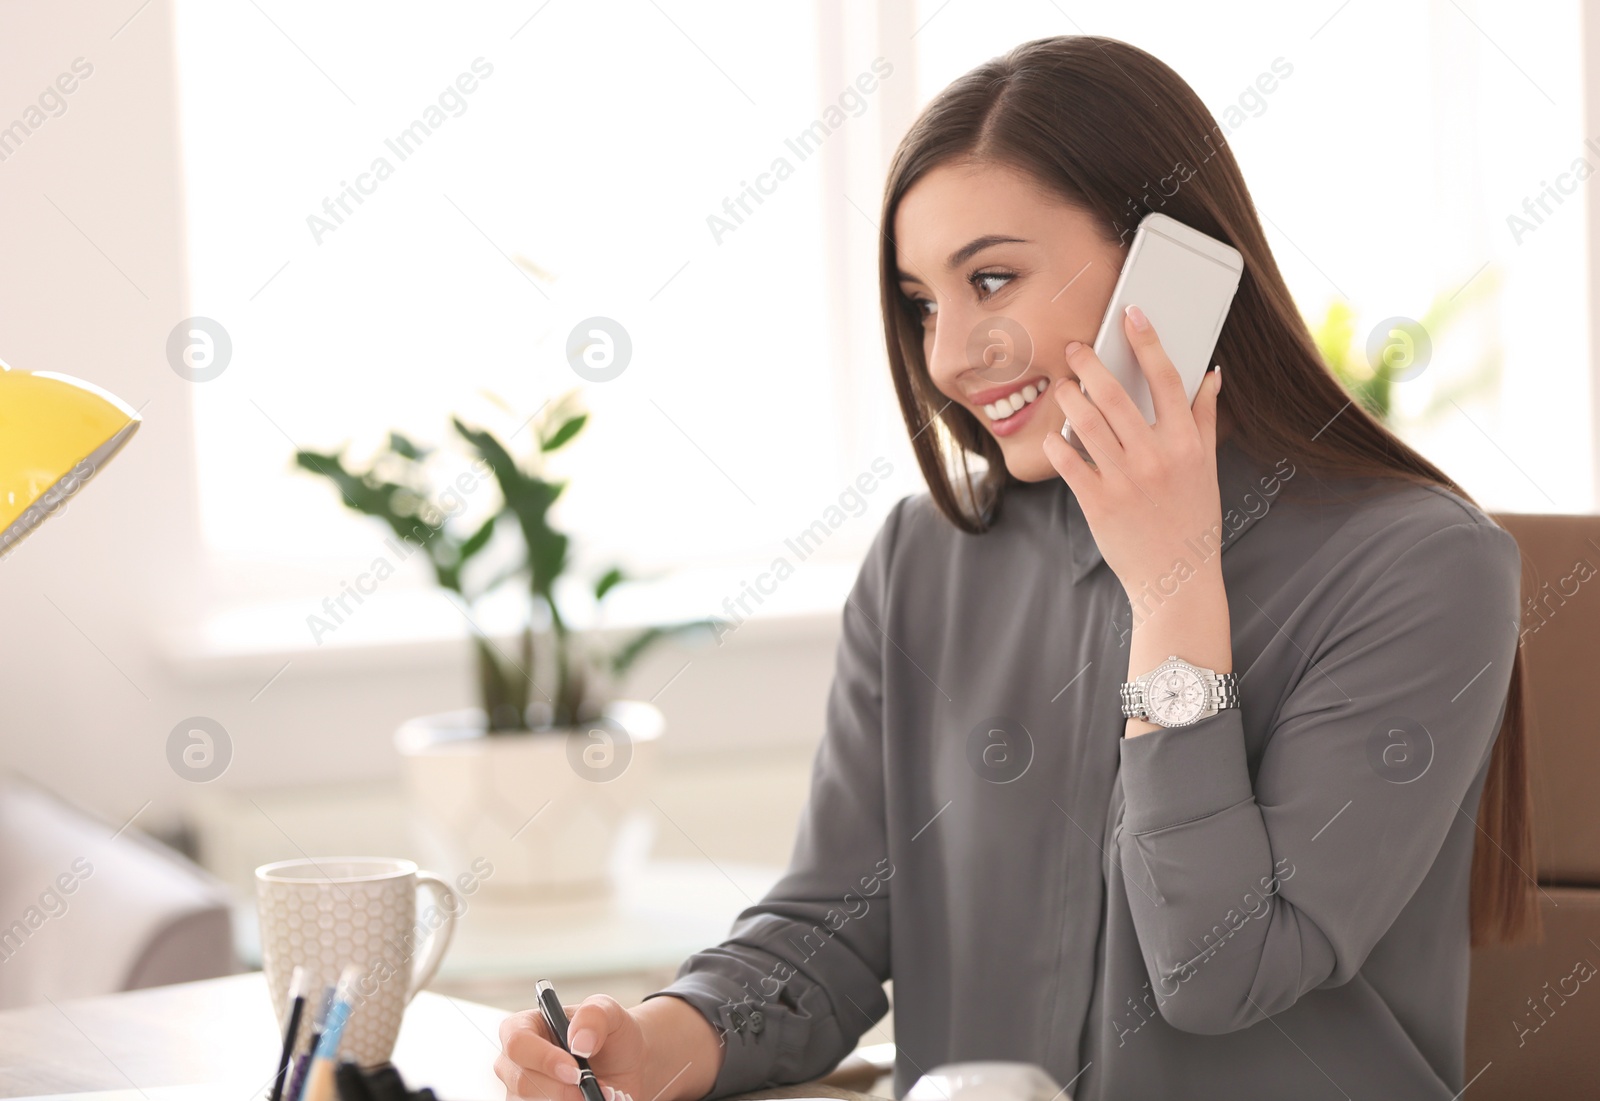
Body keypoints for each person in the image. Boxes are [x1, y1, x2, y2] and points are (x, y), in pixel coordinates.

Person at [496, 34, 1536, 1101]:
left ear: (1167, 267)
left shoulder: (1422, 569)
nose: (947, 357)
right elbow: (829, 934)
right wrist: (652, 1042)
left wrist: (1174, 586)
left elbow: (1220, 972)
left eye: (991, 279)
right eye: (923, 303)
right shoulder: (926, 559)